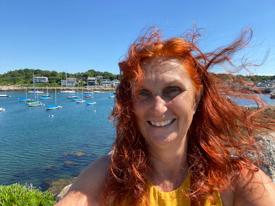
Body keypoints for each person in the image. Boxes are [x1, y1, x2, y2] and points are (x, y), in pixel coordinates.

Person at [56, 29, 275, 206]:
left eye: (173, 90)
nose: (159, 108)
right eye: (143, 93)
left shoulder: (237, 180)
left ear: (196, 99)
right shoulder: (108, 176)